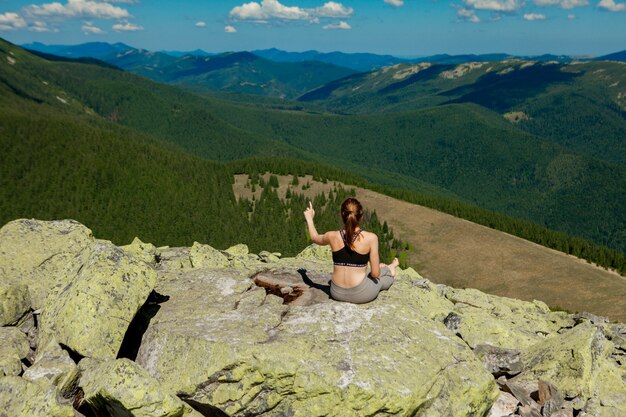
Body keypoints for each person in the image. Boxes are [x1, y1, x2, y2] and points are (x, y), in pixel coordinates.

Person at [303, 197, 399, 304]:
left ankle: (389, 268)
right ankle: (391, 270)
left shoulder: (332, 236)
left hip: (336, 292)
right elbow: (375, 274)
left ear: (342, 215)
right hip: (361, 294)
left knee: (370, 273)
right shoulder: (370, 238)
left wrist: (309, 218)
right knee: (381, 280)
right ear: (361, 216)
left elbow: (315, 237)